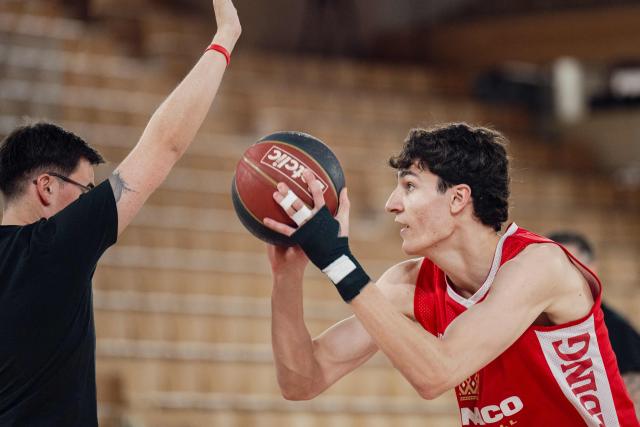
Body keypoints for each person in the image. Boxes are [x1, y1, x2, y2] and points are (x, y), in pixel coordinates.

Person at [264, 123, 639, 426]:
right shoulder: (406, 284)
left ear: (458, 198)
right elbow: (302, 381)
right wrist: (287, 277)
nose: (391, 205)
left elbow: (437, 373)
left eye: (409, 186)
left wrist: (339, 262)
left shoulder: (539, 266)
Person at [0, 1, 240, 425]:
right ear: (46, 187)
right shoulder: (49, 250)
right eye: (86, 188)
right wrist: (224, 38)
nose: (91, 198)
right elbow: (164, 144)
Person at [548, 231, 640, 416]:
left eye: (569, 268)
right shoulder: (528, 325)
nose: (558, 280)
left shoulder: (618, 331)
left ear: (592, 270)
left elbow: (633, 400)